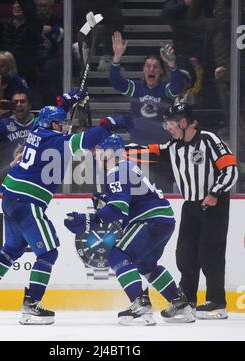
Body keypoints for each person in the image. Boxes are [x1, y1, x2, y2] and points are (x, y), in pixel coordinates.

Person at [0, 89, 134, 325]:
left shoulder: (37, 131)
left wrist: (67, 101)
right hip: (27, 200)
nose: (64, 126)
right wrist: (111, 125)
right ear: (52, 124)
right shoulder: (55, 140)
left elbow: (54, 113)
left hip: (12, 197)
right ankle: (31, 305)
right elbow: (88, 139)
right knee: (49, 251)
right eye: (61, 123)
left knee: (12, 247)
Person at [64, 134, 195, 325]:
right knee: (146, 265)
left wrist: (88, 219)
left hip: (149, 220)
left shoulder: (116, 172)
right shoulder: (126, 168)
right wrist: (106, 202)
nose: (94, 154)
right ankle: (180, 305)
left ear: (110, 152)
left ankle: (141, 307)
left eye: (98, 150)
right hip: (164, 220)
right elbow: (125, 204)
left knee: (117, 255)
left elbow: (119, 209)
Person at [126, 102, 238, 319]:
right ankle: (187, 300)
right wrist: (118, 149)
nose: (167, 127)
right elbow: (148, 151)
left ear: (184, 122)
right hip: (191, 205)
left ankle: (216, 302)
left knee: (210, 253)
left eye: (170, 123)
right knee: (185, 255)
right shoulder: (173, 147)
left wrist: (214, 192)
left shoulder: (209, 140)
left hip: (214, 204)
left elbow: (230, 169)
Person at [110, 31, 184, 192]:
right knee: (137, 191)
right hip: (138, 149)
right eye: (148, 66)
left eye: (156, 67)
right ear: (143, 70)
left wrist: (172, 65)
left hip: (161, 150)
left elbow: (177, 86)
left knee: (162, 191)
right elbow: (116, 82)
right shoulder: (136, 88)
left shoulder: (165, 90)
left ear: (161, 71)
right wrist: (116, 58)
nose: (151, 69)